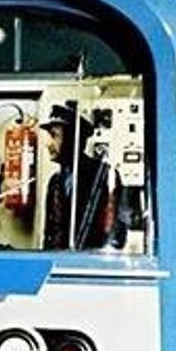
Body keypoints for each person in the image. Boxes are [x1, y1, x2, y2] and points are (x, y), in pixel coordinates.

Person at [40, 103, 123, 250]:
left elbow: (114, 232)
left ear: (72, 139)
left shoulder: (104, 176)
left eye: (54, 136)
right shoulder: (55, 182)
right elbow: (49, 234)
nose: (48, 144)